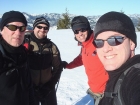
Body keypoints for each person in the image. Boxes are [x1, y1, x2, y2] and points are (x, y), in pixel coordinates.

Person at [93, 11, 140, 105]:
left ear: (131, 43)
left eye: (115, 40)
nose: (106, 49)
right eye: (99, 42)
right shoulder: (117, 75)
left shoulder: (135, 78)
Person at [62, 16, 108, 104]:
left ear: (88, 28)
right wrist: (68, 65)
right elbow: (81, 59)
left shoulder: (99, 43)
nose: (80, 33)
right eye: (76, 31)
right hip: (96, 93)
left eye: (83, 29)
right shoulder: (84, 45)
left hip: (107, 93)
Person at [23, 17, 62, 105]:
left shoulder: (51, 47)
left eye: (45, 28)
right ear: (34, 27)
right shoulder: (25, 44)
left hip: (47, 88)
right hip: (29, 88)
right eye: (39, 27)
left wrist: (50, 85)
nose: (42, 29)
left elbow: (58, 67)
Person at [0, 11, 34, 105]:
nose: (18, 32)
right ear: (2, 29)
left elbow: (29, 86)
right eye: (12, 27)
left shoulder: (22, 53)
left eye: (22, 28)